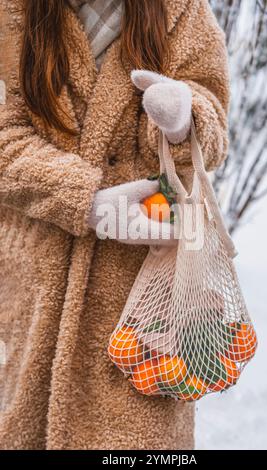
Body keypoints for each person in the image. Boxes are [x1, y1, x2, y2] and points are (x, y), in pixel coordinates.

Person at [0, 0, 229, 449]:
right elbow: (6, 139)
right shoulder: (14, 11)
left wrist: (184, 118)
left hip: (145, 293)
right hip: (36, 281)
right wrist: (85, 199)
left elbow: (214, 124)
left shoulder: (181, 10)